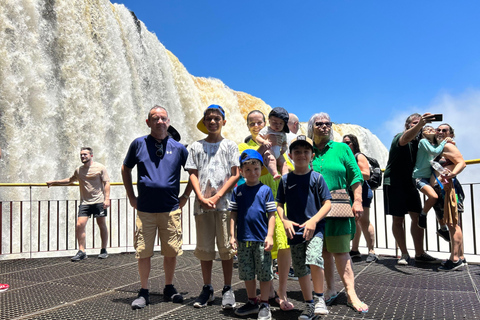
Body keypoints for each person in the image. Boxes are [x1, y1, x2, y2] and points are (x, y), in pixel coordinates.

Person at [122, 105, 190, 309]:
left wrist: (186, 195)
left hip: (170, 209)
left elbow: (193, 172)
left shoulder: (179, 148)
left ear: (168, 122)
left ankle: (169, 287)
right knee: (143, 252)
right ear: (148, 122)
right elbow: (125, 168)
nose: (159, 122)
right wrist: (131, 196)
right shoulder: (138, 144)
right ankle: (143, 291)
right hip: (145, 210)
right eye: (155, 118)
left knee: (170, 252)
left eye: (163, 118)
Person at [308, 113, 368, 314]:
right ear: (312, 127)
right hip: (314, 210)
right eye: (319, 124)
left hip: (339, 205)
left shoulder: (342, 149)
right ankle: (331, 289)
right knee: (324, 251)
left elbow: (355, 175)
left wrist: (358, 200)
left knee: (341, 251)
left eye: (328, 124)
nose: (324, 127)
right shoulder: (307, 151)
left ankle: (351, 294)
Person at [238, 110, 295, 311]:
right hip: (257, 201)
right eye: (251, 123)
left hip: (278, 200)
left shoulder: (278, 143)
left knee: (284, 245)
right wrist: (264, 145)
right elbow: (247, 165)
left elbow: (286, 166)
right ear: (248, 126)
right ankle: (268, 291)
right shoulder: (245, 146)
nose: (255, 126)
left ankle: (282, 292)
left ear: (265, 123)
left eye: (258, 122)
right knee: (265, 248)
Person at [185, 104, 240, 309]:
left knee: (226, 249)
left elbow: (236, 173)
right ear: (204, 122)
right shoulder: (195, 146)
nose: (213, 122)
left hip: (225, 205)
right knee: (205, 249)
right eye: (209, 118)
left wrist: (217, 196)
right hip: (202, 206)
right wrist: (200, 196)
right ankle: (207, 288)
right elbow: (192, 173)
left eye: (217, 118)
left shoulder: (230, 146)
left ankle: (227, 288)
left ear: (223, 121)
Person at [277, 135, 332, 320]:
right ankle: (309, 305)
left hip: (314, 229)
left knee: (315, 258)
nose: (302, 155)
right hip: (295, 231)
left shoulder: (317, 178)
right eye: (297, 152)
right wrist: (284, 220)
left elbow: (327, 204)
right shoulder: (285, 180)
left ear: (312, 155)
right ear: (291, 155)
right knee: (300, 269)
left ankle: (319, 299)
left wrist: (313, 221)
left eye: (306, 151)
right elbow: (279, 204)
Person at [383, 113, 441, 265]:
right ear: (407, 125)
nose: (418, 125)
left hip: (411, 183)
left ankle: (420, 253)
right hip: (394, 182)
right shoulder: (401, 136)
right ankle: (404, 254)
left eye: (420, 123)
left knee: (416, 217)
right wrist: (420, 124)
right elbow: (405, 139)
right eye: (414, 123)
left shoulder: (421, 142)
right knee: (398, 218)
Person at [229, 149, 276, 320]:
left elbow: (272, 215)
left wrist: (269, 236)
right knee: (247, 273)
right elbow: (233, 214)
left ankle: (264, 303)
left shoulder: (265, 190)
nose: (252, 172)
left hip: (260, 239)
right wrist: (231, 235)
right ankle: (252, 302)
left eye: (255, 168)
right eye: (247, 169)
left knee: (264, 272)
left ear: (261, 169)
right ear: (241, 171)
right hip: (243, 239)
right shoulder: (238, 191)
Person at [47, 147, 110, 261]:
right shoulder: (79, 170)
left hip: (99, 201)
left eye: (85, 154)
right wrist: (54, 182)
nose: (82, 156)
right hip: (85, 202)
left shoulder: (100, 167)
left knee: (102, 225)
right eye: (81, 155)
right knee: (79, 225)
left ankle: (104, 249)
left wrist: (107, 199)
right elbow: (70, 180)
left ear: (91, 155)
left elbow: (106, 183)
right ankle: (82, 251)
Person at [433, 124, 467, 271]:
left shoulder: (448, 145)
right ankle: (460, 257)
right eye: (438, 130)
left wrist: (452, 174)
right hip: (444, 189)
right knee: (452, 223)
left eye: (444, 130)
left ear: (450, 134)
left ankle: (455, 259)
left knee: (454, 223)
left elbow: (462, 163)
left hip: (450, 189)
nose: (440, 132)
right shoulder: (440, 147)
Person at [342, 134, 377, 263]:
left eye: (348, 142)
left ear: (354, 144)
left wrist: (350, 170)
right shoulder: (345, 158)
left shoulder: (359, 156)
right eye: (344, 142)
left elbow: (367, 175)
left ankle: (372, 251)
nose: (346, 145)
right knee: (355, 221)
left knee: (364, 221)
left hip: (363, 192)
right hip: (350, 192)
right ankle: (355, 250)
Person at [412, 125, 450, 229]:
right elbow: (434, 152)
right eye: (426, 129)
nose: (430, 129)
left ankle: (443, 228)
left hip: (430, 177)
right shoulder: (423, 142)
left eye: (432, 129)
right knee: (434, 197)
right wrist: (443, 142)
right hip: (419, 177)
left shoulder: (434, 144)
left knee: (437, 202)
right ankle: (423, 215)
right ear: (423, 134)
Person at [255, 107, 290, 180]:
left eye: (281, 123)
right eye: (275, 122)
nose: (278, 125)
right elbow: (258, 137)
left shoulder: (283, 133)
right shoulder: (266, 129)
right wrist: (264, 142)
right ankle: (275, 173)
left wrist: (284, 147)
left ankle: (285, 177)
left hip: (278, 152)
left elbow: (284, 143)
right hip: (269, 150)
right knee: (271, 159)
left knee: (283, 163)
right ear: (269, 120)